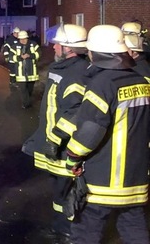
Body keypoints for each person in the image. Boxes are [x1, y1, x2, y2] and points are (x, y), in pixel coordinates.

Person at [65, 24, 150, 244]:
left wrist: (73, 157)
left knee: (86, 230)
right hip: (136, 176)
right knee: (134, 226)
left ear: (97, 53)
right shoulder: (141, 81)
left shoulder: (102, 84)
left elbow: (91, 130)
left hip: (104, 177)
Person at [22, 24, 90, 242]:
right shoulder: (61, 68)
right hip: (53, 142)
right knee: (59, 190)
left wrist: (56, 138)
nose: (53, 47)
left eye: (57, 44)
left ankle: (70, 231)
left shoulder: (77, 72)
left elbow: (76, 112)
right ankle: (60, 227)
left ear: (68, 48)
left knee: (67, 191)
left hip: (64, 145)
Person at [12, 30, 40, 109]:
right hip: (20, 73)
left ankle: (28, 100)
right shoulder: (15, 46)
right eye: (21, 39)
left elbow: (39, 54)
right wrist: (20, 57)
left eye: (24, 39)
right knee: (23, 89)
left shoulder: (33, 44)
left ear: (27, 38)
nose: (23, 40)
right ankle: (26, 104)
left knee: (30, 89)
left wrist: (30, 55)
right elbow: (11, 57)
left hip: (32, 72)